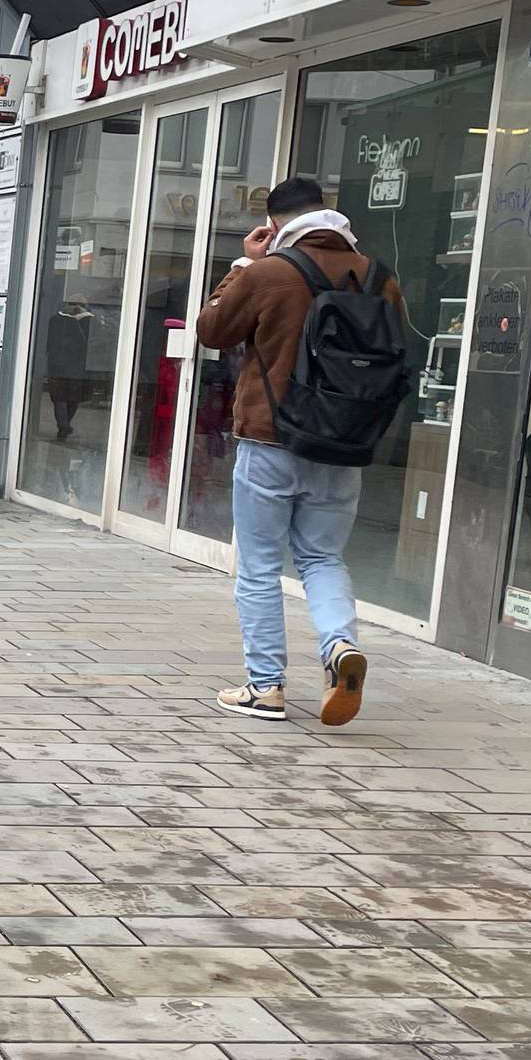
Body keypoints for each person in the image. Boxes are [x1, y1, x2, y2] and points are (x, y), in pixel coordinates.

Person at [194, 175, 398, 727]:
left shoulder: (270, 272)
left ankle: (265, 687)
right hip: (343, 444)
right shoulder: (377, 275)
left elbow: (212, 329)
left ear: (276, 223)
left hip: (271, 439)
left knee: (259, 568)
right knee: (323, 558)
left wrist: (243, 265)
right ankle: (339, 647)